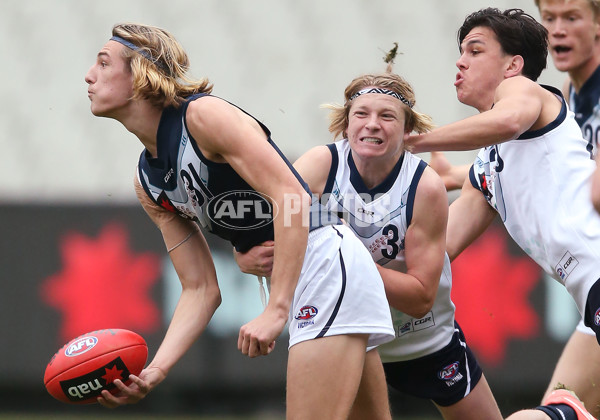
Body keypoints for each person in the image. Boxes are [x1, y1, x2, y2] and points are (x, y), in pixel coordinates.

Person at [84, 23, 396, 418]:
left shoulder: (203, 116)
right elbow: (200, 289)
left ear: (141, 75)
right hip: (310, 275)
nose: (88, 75)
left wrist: (276, 310)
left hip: (325, 263)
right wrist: (154, 371)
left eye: (103, 62)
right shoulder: (148, 183)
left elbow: (293, 197)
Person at [235, 53, 503, 419]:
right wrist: (245, 258)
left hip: (421, 338)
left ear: (407, 128)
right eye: (361, 114)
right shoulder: (318, 167)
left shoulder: (422, 186)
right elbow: (266, 239)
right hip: (348, 332)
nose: (372, 125)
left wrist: (347, 261)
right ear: (346, 124)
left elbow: (421, 296)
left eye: (387, 116)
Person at [405, 7, 600, 420]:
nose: (460, 61)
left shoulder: (525, 92)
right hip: (591, 295)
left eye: (475, 51)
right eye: (460, 51)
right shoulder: (487, 168)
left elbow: (509, 120)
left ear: (513, 65)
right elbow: (435, 251)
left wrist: (416, 142)